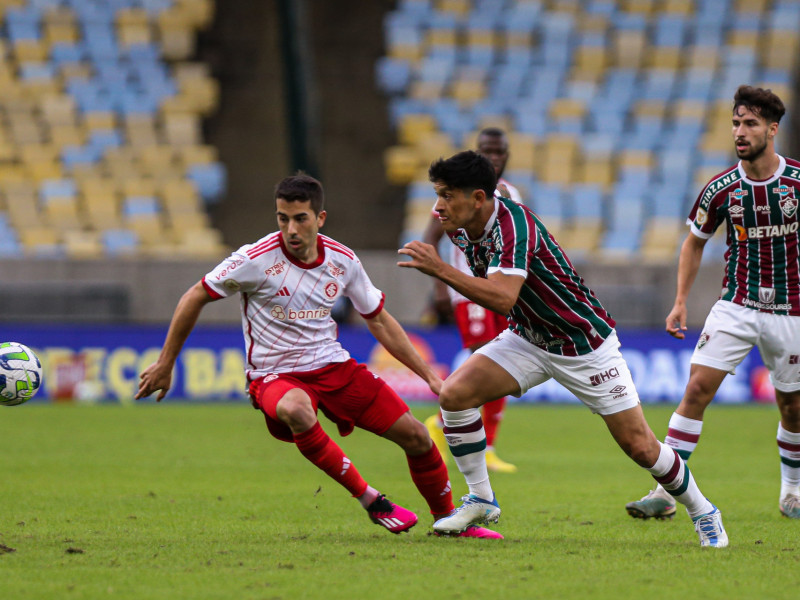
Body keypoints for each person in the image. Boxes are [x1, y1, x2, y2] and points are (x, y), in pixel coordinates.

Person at [135, 173, 502, 539]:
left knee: (417, 437)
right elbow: (194, 295)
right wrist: (166, 362)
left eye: (300, 218)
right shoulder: (255, 259)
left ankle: (448, 524)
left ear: (320, 218)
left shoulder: (342, 260)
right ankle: (372, 499)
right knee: (296, 410)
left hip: (333, 367)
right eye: (283, 218)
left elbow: (378, 320)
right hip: (274, 375)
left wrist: (430, 377)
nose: (291, 229)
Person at [397, 150, 728, 547]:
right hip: (529, 338)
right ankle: (482, 499)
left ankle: (703, 511)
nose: (438, 206)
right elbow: (507, 300)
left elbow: (502, 297)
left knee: (640, 446)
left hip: (583, 344)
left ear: (478, 198)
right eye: (437, 194)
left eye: (447, 195)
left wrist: (441, 270)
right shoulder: (461, 228)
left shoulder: (514, 227)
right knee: (454, 395)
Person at [625, 85, 800, 522]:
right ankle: (666, 493)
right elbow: (693, 244)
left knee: (793, 406)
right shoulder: (721, 189)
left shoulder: (797, 182)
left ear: (772, 129)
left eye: (751, 124)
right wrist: (680, 301)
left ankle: (792, 493)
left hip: (791, 309)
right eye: (736, 123)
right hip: (736, 306)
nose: (740, 131)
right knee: (697, 390)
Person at [423, 127, 522, 474]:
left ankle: (485, 443)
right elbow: (431, 236)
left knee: (502, 362)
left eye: (499, 152)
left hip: (501, 289)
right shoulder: (458, 196)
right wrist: (438, 288)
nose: (495, 158)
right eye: (487, 151)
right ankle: (441, 421)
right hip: (470, 291)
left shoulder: (514, 193)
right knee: (485, 354)